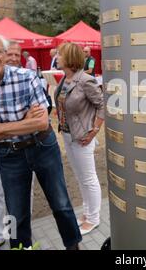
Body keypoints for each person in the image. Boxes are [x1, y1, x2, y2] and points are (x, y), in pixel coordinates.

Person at [0, 30, 82, 250]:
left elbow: (41, 123)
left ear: (5, 52)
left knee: (61, 203)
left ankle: (74, 247)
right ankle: (20, 248)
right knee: (14, 213)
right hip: (9, 154)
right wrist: (23, 121)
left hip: (43, 146)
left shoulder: (26, 77)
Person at [55, 43, 104, 235]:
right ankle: (87, 213)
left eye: (60, 54)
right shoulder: (65, 80)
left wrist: (94, 131)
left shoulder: (85, 80)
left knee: (89, 178)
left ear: (69, 58)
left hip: (82, 137)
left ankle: (93, 218)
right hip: (68, 134)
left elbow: (102, 105)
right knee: (80, 176)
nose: (56, 57)